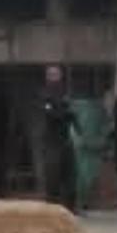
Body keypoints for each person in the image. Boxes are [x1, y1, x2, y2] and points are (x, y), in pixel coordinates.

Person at [41, 65, 79, 213]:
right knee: (53, 176)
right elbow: (52, 115)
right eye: (52, 75)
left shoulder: (65, 93)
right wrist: (65, 111)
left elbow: (73, 115)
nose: (55, 78)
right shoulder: (45, 94)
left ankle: (70, 208)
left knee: (70, 176)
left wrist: (67, 113)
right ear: (47, 77)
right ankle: (52, 209)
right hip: (52, 142)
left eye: (57, 75)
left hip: (65, 140)